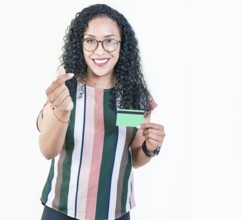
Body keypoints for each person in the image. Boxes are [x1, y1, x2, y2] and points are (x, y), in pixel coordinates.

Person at [36, 4, 165, 220]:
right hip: (61, 209)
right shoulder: (64, 90)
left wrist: (150, 148)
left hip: (114, 212)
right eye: (90, 40)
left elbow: (135, 158)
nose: (100, 50)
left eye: (110, 41)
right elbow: (47, 151)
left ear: (123, 46)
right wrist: (62, 111)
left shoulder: (134, 96)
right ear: (80, 45)